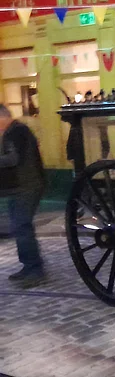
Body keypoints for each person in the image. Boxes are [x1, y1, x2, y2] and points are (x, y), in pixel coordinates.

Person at [0, 104, 46, 286]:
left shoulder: (16, 132)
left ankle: (35, 269)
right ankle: (29, 266)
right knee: (19, 226)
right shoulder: (15, 131)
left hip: (26, 186)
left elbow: (13, 159)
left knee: (22, 226)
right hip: (20, 186)